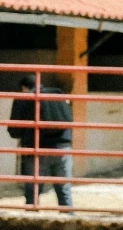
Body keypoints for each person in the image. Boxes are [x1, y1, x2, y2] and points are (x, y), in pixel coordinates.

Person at [7, 74, 74, 210]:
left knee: (33, 193)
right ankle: (70, 225)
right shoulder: (57, 95)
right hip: (62, 148)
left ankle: (31, 225)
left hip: (36, 150)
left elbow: (14, 130)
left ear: (24, 88)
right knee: (64, 191)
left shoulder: (23, 99)